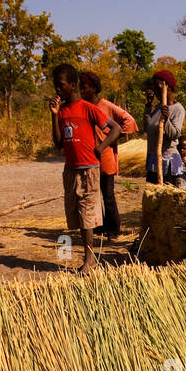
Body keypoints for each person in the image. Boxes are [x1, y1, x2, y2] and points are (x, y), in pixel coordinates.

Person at [50, 63, 121, 274]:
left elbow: (115, 128)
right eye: (55, 86)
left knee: (88, 214)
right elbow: (58, 142)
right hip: (71, 169)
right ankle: (88, 258)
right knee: (78, 215)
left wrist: (100, 147)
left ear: (72, 85)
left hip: (89, 168)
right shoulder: (61, 112)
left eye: (61, 85)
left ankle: (90, 260)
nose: (57, 90)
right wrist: (54, 115)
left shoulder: (88, 108)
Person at [78, 71, 137, 238]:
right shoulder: (84, 107)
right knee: (94, 194)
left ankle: (114, 229)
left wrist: (111, 139)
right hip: (89, 158)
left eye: (85, 87)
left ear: (95, 88)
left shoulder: (106, 106)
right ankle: (99, 226)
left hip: (105, 156)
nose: (82, 90)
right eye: (80, 87)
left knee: (108, 194)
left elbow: (129, 121)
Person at [144, 70, 185, 185]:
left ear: (168, 87)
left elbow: (175, 134)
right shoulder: (158, 107)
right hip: (154, 160)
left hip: (168, 162)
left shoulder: (177, 109)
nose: (155, 91)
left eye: (158, 87)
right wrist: (148, 107)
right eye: (154, 88)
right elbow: (147, 128)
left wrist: (166, 120)